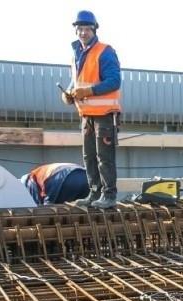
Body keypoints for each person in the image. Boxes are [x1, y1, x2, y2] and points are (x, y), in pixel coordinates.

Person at [61, 10, 122, 209]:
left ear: (94, 30)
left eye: (87, 29)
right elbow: (77, 81)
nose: (83, 32)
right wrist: (70, 93)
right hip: (86, 115)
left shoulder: (105, 51)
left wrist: (87, 90)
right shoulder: (76, 53)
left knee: (104, 157)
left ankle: (108, 195)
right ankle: (94, 192)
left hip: (104, 115)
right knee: (89, 156)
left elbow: (114, 81)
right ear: (76, 30)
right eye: (80, 29)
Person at [20, 163, 91, 205]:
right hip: (86, 177)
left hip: (64, 180)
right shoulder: (39, 171)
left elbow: (36, 203)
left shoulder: (29, 180)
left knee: (48, 211)